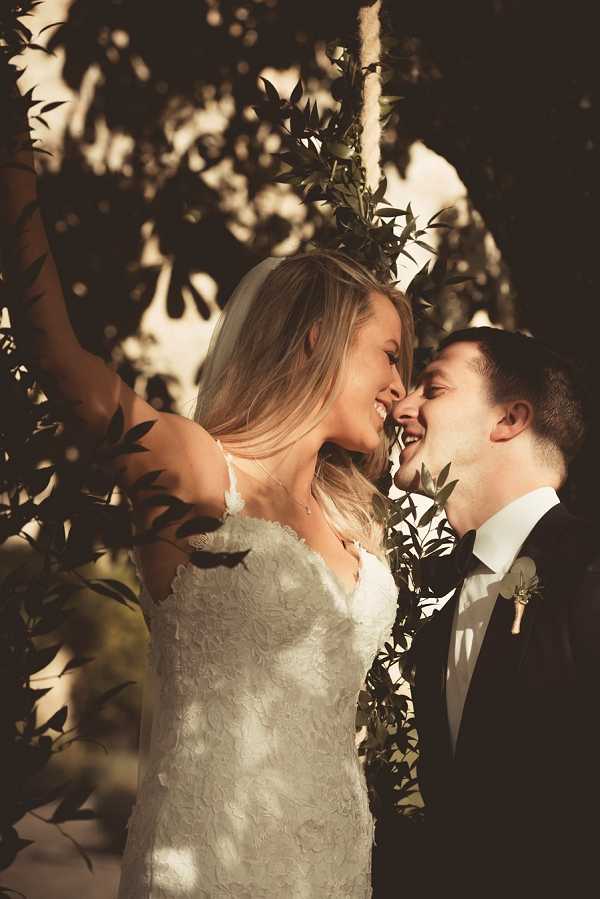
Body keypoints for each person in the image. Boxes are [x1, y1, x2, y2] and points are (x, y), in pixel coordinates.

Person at [1, 105, 414, 897]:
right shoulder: (195, 469)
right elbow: (59, 356)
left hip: (334, 873)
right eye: (390, 357)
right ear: (315, 340)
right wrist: (12, 171)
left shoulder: (350, 518)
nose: (400, 389)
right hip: (211, 870)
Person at [389, 327, 600, 896]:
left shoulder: (590, 572)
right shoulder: (441, 622)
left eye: (432, 388)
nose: (402, 407)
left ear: (509, 420)